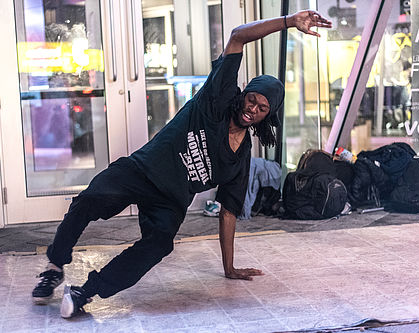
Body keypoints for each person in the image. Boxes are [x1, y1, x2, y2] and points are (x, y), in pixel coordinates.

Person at [32, 10, 332, 318]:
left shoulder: (240, 159)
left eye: (261, 108)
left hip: (170, 200)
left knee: (160, 244)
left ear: (268, 115)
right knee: (89, 200)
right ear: (244, 95)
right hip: (141, 170)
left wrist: (228, 267)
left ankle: (87, 291)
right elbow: (238, 36)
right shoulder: (215, 100)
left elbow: (228, 212)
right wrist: (288, 21)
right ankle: (55, 266)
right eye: (251, 99)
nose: (251, 109)